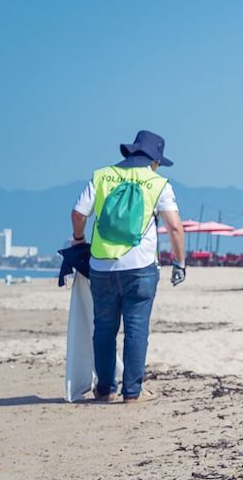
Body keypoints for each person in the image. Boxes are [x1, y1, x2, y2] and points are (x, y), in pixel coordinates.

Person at [69, 130, 185, 404]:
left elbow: (78, 213)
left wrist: (78, 240)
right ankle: (132, 392)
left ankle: (105, 389)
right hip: (141, 267)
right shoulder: (159, 184)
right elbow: (175, 227)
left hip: (101, 265)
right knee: (136, 329)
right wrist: (179, 263)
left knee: (104, 328)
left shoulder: (101, 176)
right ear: (154, 160)